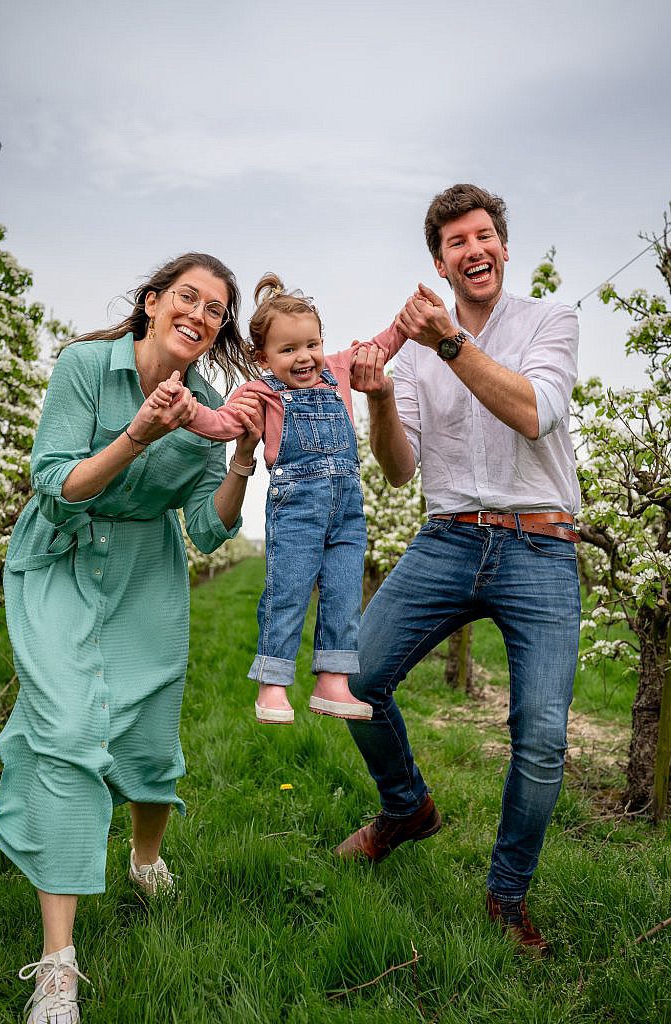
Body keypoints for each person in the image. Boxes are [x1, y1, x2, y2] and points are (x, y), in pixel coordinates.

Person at [0, 253, 262, 1023]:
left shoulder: (211, 408)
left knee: (144, 738)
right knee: (67, 732)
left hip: (146, 569)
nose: (200, 314)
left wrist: (240, 456)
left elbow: (208, 530)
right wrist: (138, 437)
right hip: (60, 561)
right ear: (151, 302)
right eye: (188, 297)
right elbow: (58, 484)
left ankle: (145, 858)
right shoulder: (86, 367)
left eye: (215, 309)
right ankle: (57, 966)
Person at [337, 184, 581, 957]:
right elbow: (400, 470)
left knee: (539, 736)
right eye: (455, 243)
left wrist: (447, 343)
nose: (472, 250)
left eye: (483, 236)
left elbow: (534, 411)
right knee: (353, 681)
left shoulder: (550, 319)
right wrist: (378, 396)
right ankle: (406, 808)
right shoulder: (412, 351)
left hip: (540, 544)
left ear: (503, 247)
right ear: (438, 263)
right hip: (446, 537)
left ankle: (505, 898)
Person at [155, 273, 407, 726]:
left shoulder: (340, 369)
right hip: (296, 507)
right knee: (288, 591)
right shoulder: (261, 393)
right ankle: (273, 683)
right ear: (263, 357)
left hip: (348, 508)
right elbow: (222, 423)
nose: (304, 357)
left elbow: (380, 347)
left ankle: (334, 680)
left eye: (311, 344)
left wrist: (408, 322)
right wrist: (188, 411)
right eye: (288, 350)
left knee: (345, 592)